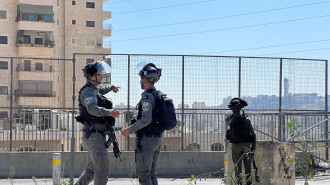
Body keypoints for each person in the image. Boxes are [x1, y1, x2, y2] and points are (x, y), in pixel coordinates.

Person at [75, 61, 120, 185]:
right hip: (94, 136)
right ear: (91, 76)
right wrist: (108, 112)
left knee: (91, 171)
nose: (102, 77)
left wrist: (112, 87)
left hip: (93, 135)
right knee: (102, 171)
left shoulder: (94, 90)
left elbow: (101, 90)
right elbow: (91, 108)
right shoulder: (88, 91)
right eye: (99, 74)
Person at [121, 63, 163, 185]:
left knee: (144, 176)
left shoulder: (147, 96)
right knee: (152, 174)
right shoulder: (158, 95)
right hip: (158, 139)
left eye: (141, 79)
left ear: (145, 79)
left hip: (147, 141)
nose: (140, 82)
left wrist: (129, 129)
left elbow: (146, 119)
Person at [225, 98, 256, 185]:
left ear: (232, 109)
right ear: (241, 108)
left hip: (235, 146)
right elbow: (253, 135)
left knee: (238, 169)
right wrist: (253, 148)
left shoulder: (229, 120)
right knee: (248, 168)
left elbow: (228, 121)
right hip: (246, 145)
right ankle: (248, 183)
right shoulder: (247, 120)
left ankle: (239, 183)